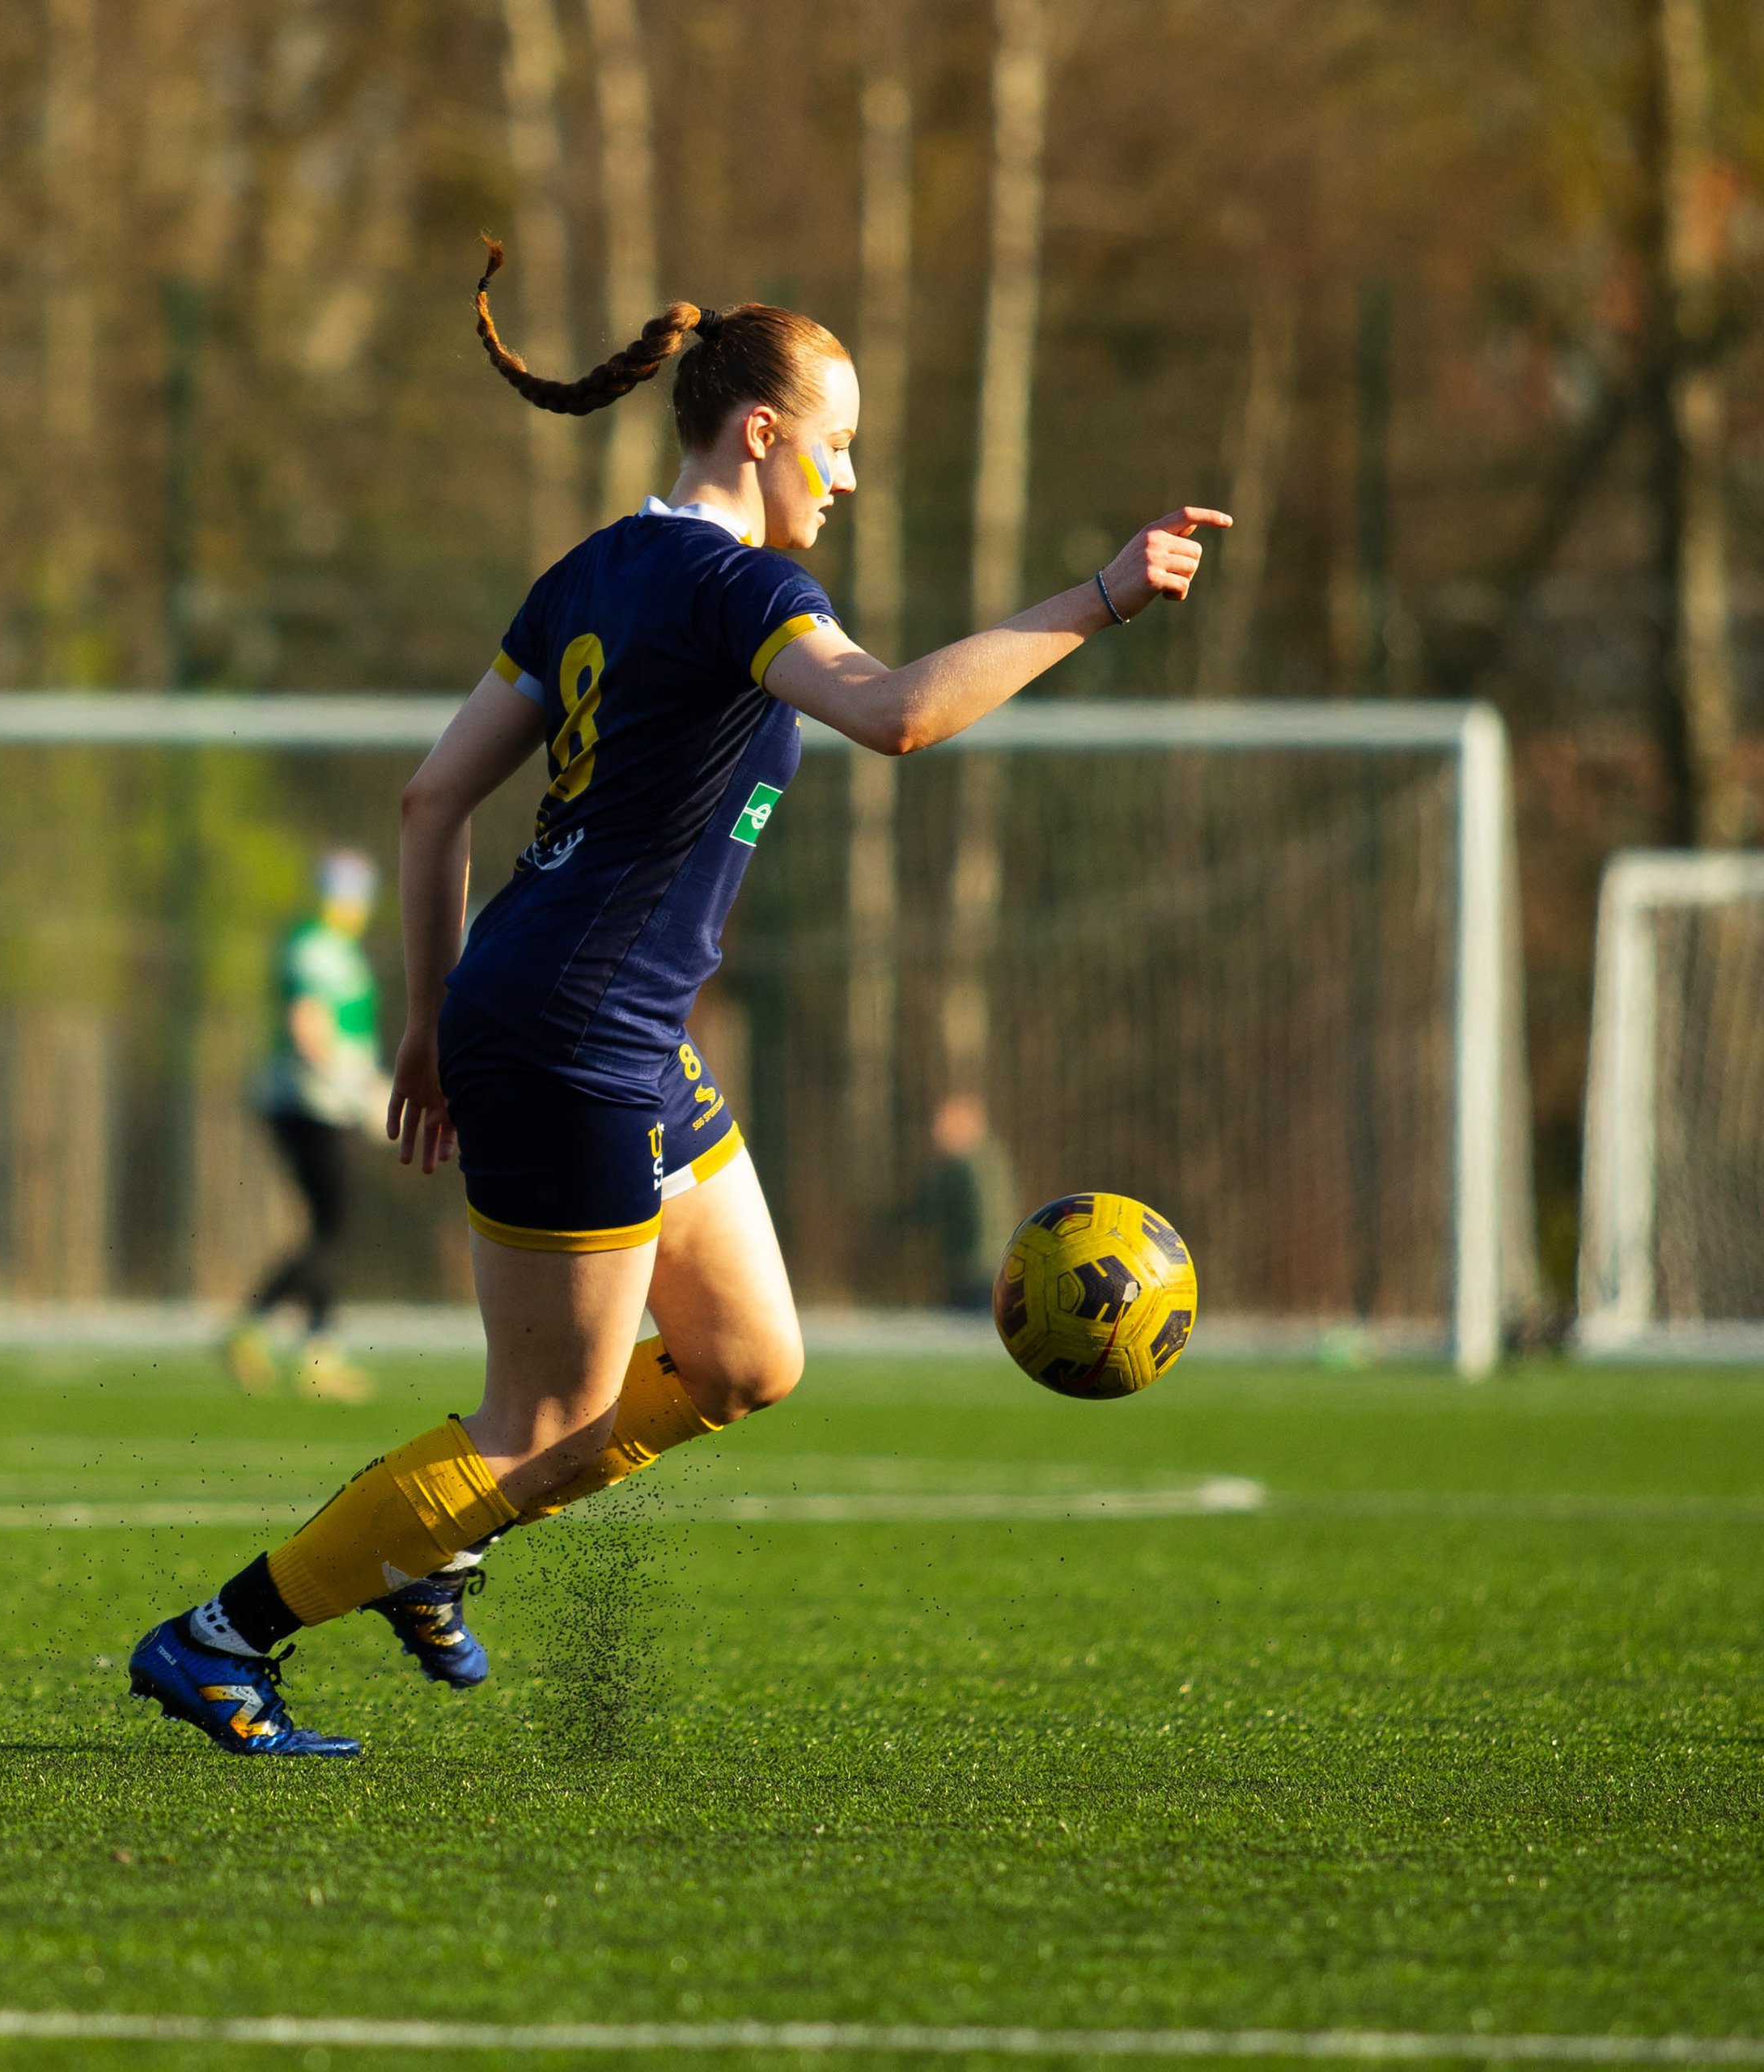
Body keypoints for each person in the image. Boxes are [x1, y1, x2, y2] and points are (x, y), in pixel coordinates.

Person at [124, 240, 1227, 1755]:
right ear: (761, 432)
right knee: (545, 1426)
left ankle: (436, 1538)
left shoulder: (591, 572)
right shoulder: (740, 585)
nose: (848, 477)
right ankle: (223, 1637)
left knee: (748, 1358)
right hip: (575, 1032)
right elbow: (897, 716)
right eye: (838, 442)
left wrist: (436, 1019)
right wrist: (1098, 598)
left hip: (591, 1020)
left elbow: (431, 801)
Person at [223, 849, 387, 1406]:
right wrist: (357, 1091)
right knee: (333, 1225)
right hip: (311, 1101)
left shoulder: (335, 947)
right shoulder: (316, 947)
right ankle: (262, 1328)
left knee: (328, 1225)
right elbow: (307, 1025)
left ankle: (317, 1349)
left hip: (328, 1102)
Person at [894, 1093, 1017, 1311]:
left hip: (975, 1270)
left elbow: (930, 1209)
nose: (937, 1135)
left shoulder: (964, 1167)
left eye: (944, 1128)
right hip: (998, 1264)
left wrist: (892, 1221)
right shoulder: (994, 1158)